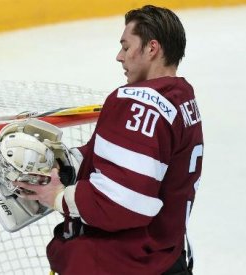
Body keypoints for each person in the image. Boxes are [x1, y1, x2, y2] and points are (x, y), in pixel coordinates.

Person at [13, 5, 203, 275]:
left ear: (152, 48)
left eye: (126, 47)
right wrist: (65, 162)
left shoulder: (137, 103)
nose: (119, 56)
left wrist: (57, 197)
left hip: (120, 263)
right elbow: (130, 162)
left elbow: (123, 202)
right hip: (165, 256)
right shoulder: (181, 97)